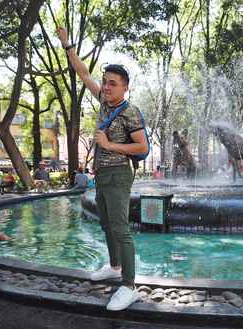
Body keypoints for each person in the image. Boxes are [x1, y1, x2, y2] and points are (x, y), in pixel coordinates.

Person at [57, 26, 149, 311]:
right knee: (106, 224)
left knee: (121, 229)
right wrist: (68, 45)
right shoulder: (103, 102)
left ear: (125, 87)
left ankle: (129, 286)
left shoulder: (130, 111)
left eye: (113, 83)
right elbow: (83, 74)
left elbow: (143, 148)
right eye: (105, 82)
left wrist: (110, 145)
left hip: (120, 174)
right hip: (102, 176)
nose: (106, 87)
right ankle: (114, 266)